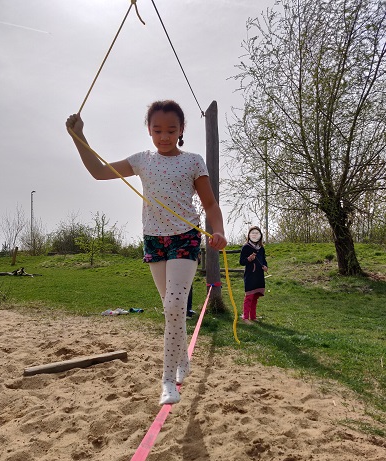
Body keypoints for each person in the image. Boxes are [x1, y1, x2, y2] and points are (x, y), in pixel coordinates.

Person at [66, 100, 227, 405]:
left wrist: (217, 231)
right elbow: (99, 172)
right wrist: (79, 137)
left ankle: (168, 382)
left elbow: (210, 205)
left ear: (181, 130)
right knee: (170, 308)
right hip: (155, 240)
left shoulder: (193, 161)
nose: (164, 136)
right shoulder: (142, 160)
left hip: (186, 238)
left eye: (170, 130)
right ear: (149, 130)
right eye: (157, 130)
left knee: (176, 304)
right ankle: (182, 360)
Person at [239, 226, 268, 324]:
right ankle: (245, 317)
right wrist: (249, 259)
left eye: (257, 233)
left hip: (259, 275)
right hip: (250, 275)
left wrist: (265, 266)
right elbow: (242, 262)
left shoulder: (261, 248)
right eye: (253, 233)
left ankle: (253, 316)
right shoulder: (246, 247)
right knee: (249, 296)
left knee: (255, 296)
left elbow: (264, 260)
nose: (255, 235)